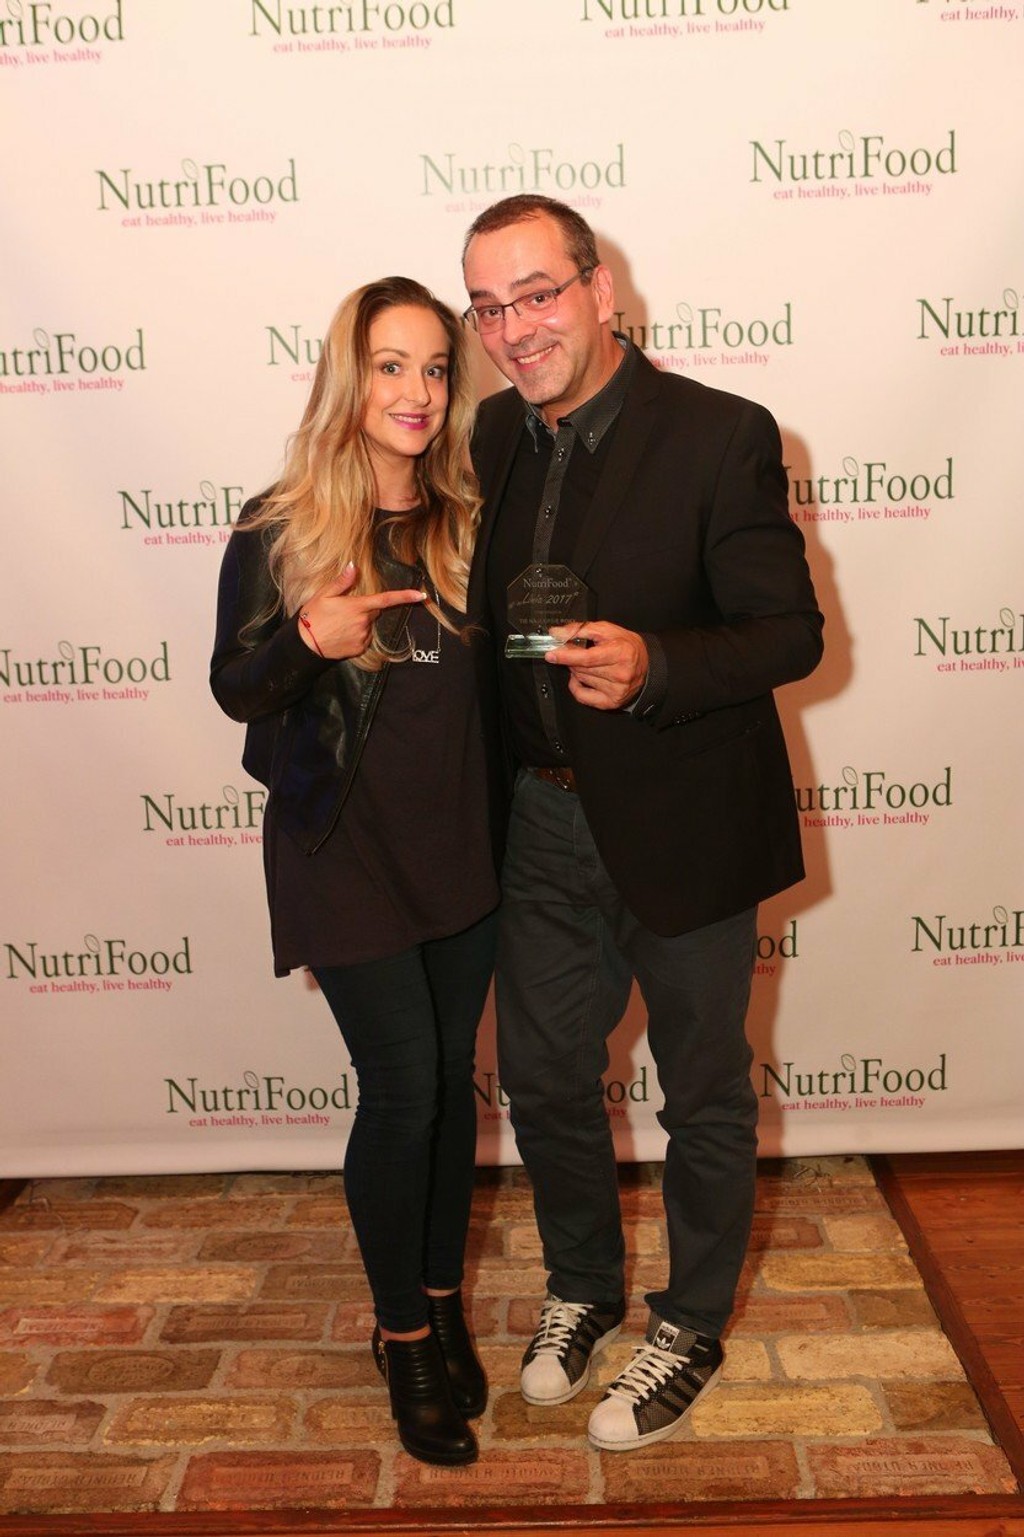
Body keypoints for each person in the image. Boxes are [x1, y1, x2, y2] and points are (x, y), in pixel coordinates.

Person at [460, 196, 824, 1453]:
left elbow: (788, 632)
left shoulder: (722, 433)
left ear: (600, 290)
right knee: (546, 1078)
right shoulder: (493, 433)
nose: (515, 329)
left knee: (705, 1089)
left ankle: (692, 1321)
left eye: (538, 294)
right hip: (536, 819)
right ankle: (582, 1286)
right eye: (488, 307)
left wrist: (658, 664)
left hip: (684, 820)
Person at [210, 277, 504, 1468]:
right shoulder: (279, 526)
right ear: (349, 376)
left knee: (447, 1084)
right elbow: (236, 688)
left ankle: (438, 1296)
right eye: (392, 366)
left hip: (462, 849)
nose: (417, 392)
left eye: (435, 367)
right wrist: (306, 639)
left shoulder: (470, 518)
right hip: (341, 851)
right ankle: (403, 1338)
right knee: (401, 1088)